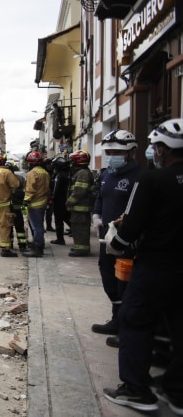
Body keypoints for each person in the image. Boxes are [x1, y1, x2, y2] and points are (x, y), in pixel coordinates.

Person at [102, 119, 183, 413]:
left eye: (155, 147)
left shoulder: (150, 180)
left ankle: (137, 390)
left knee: (135, 320)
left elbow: (132, 224)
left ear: (162, 149)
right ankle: (176, 390)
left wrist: (116, 244)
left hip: (156, 266)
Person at [91, 130, 145, 342]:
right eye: (109, 151)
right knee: (108, 278)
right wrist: (96, 215)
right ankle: (116, 319)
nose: (111, 155)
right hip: (106, 237)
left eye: (116, 152)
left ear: (131, 153)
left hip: (128, 240)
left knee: (126, 283)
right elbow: (101, 198)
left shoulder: (140, 176)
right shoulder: (106, 175)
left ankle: (127, 327)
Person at [64, 150, 93, 257]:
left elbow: (80, 191)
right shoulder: (82, 172)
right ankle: (78, 247)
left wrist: (69, 201)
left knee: (81, 229)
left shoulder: (82, 173)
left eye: (73, 160)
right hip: (78, 208)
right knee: (77, 229)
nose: (71, 163)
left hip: (81, 208)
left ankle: (82, 250)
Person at [22, 151, 51, 258]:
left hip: (34, 204)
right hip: (42, 202)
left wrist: (25, 201)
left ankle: (37, 248)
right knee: (39, 226)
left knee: (36, 227)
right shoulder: (45, 172)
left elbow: (30, 189)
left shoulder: (32, 173)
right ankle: (38, 244)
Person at [50, 156, 71, 245]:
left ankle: (60, 239)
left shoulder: (61, 175)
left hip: (59, 201)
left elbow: (56, 189)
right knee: (66, 217)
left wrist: (52, 197)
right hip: (64, 200)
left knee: (59, 220)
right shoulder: (66, 174)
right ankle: (73, 230)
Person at [7, 162, 28, 251]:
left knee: (9, 227)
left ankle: (10, 244)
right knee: (18, 227)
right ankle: (22, 245)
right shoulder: (20, 179)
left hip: (9, 207)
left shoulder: (4, 180)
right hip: (16, 207)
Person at [43, 158, 56, 231]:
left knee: (49, 211)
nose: (50, 166)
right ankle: (42, 227)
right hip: (44, 194)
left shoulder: (53, 172)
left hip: (50, 194)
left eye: (50, 164)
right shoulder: (44, 173)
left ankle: (49, 226)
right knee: (42, 212)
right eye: (48, 164)